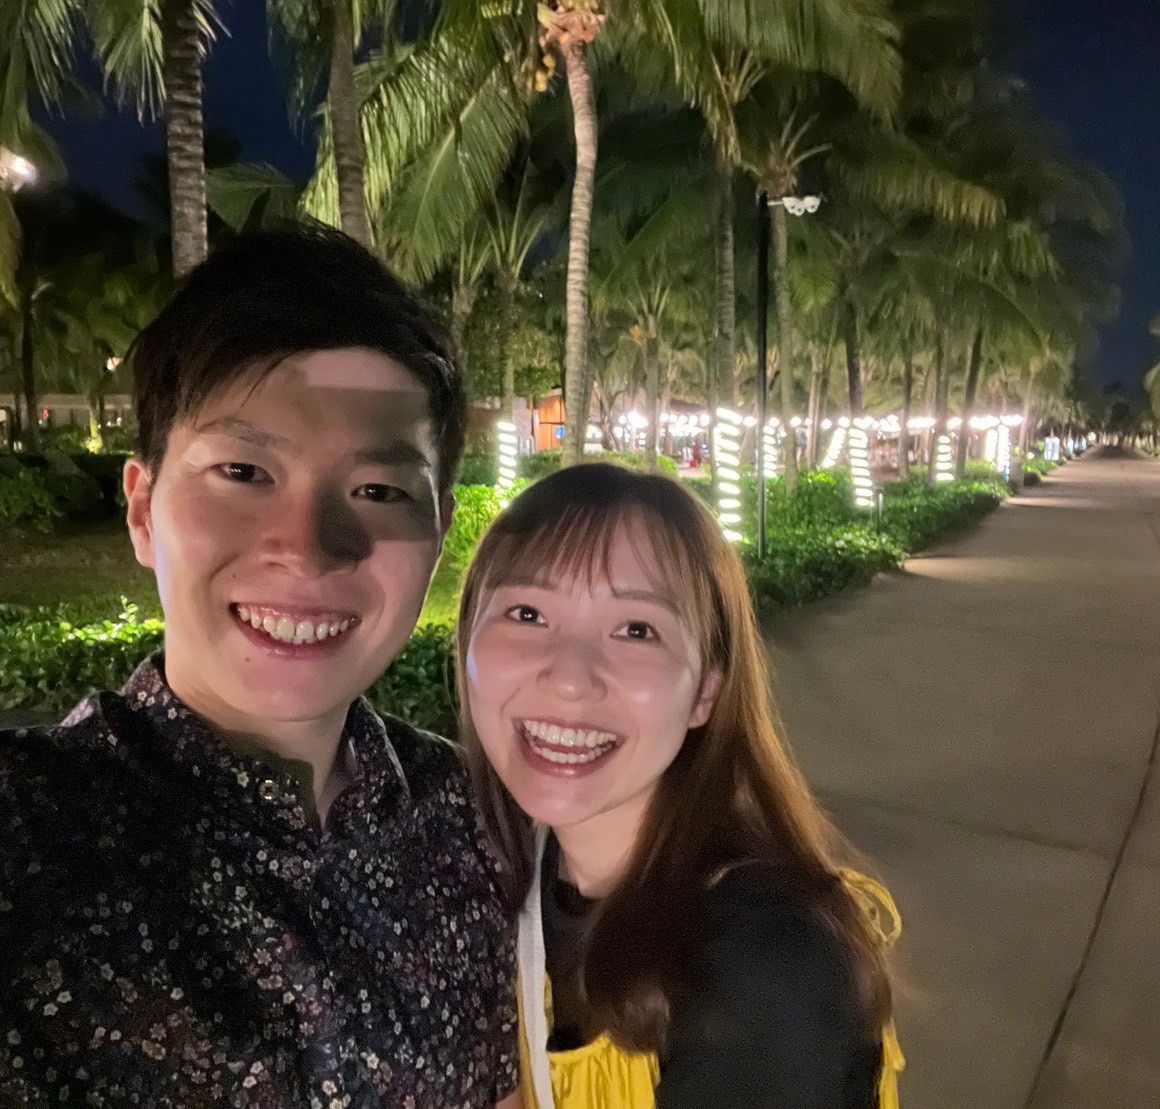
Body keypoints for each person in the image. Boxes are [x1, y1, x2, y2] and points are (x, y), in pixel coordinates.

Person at [0, 225, 519, 1107]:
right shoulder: (32, 844)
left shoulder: (482, 822)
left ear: (437, 536)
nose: (309, 548)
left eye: (380, 491)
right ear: (142, 510)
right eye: (242, 470)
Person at [457, 463, 904, 1109]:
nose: (570, 679)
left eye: (636, 629)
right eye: (527, 613)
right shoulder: (490, 876)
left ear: (705, 693)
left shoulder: (769, 965)